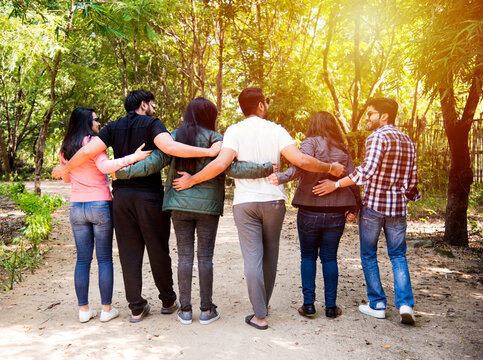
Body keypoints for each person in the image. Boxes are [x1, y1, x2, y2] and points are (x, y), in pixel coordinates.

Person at [172, 88, 346, 330]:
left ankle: (259, 315)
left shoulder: (234, 130)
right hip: (274, 201)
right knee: (270, 255)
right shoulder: (276, 130)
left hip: (245, 204)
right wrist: (330, 169)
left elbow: (221, 164)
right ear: (261, 106)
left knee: (252, 258)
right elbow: (301, 161)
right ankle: (263, 304)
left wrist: (192, 179)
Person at [52, 90, 222, 322]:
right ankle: (168, 300)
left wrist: (65, 168)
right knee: (158, 249)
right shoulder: (153, 124)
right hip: (148, 196)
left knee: (128, 252)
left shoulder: (112, 126)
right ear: (143, 105)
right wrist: (208, 152)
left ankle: (136, 307)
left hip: (121, 197)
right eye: (152, 104)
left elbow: (87, 151)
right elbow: (170, 148)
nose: (154, 108)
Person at [116, 97, 274, 325]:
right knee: (205, 256)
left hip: (179, 204)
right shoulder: (217, 140)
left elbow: (151, 163)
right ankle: (207, 310)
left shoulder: (174, 137)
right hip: (207, 206)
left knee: (185, 256)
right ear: (211, 116)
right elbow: (233, 168)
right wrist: (266, 168)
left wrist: (120, 171)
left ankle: (185, 311)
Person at [312, 98, 421, 325]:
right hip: (398, 208)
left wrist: (337, 184)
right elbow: (412, 180)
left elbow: (367, 171)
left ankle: (378, 305)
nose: (367, 118)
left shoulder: (377, 137)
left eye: (370, 114)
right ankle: (405, 304)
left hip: (373, 207)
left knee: (369, 255)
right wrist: (407, 196)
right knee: (398, 255)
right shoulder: (408, 140)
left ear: (384, 116)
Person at [59, 107, 151, 323]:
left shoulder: (64, 147)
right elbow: (105, 167)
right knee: (104, 258)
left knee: (82, 260)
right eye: (96, 120)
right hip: (99, 203)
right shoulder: (93, 143)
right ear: (86, 122)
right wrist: (133, 157)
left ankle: (83, 311)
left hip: (76, 206)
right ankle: (106, 309)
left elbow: (66, 179)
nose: (99, 123)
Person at [268, 111, 361, 319]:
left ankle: (308, 305)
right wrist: (354, 208)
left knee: (308, 256)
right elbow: (353, 178)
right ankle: (330, 307)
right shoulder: (342, 148)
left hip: (310, 209)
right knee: (329, 258)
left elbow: (300, 166)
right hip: (337, 211)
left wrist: (280, 177)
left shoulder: (310, 143)